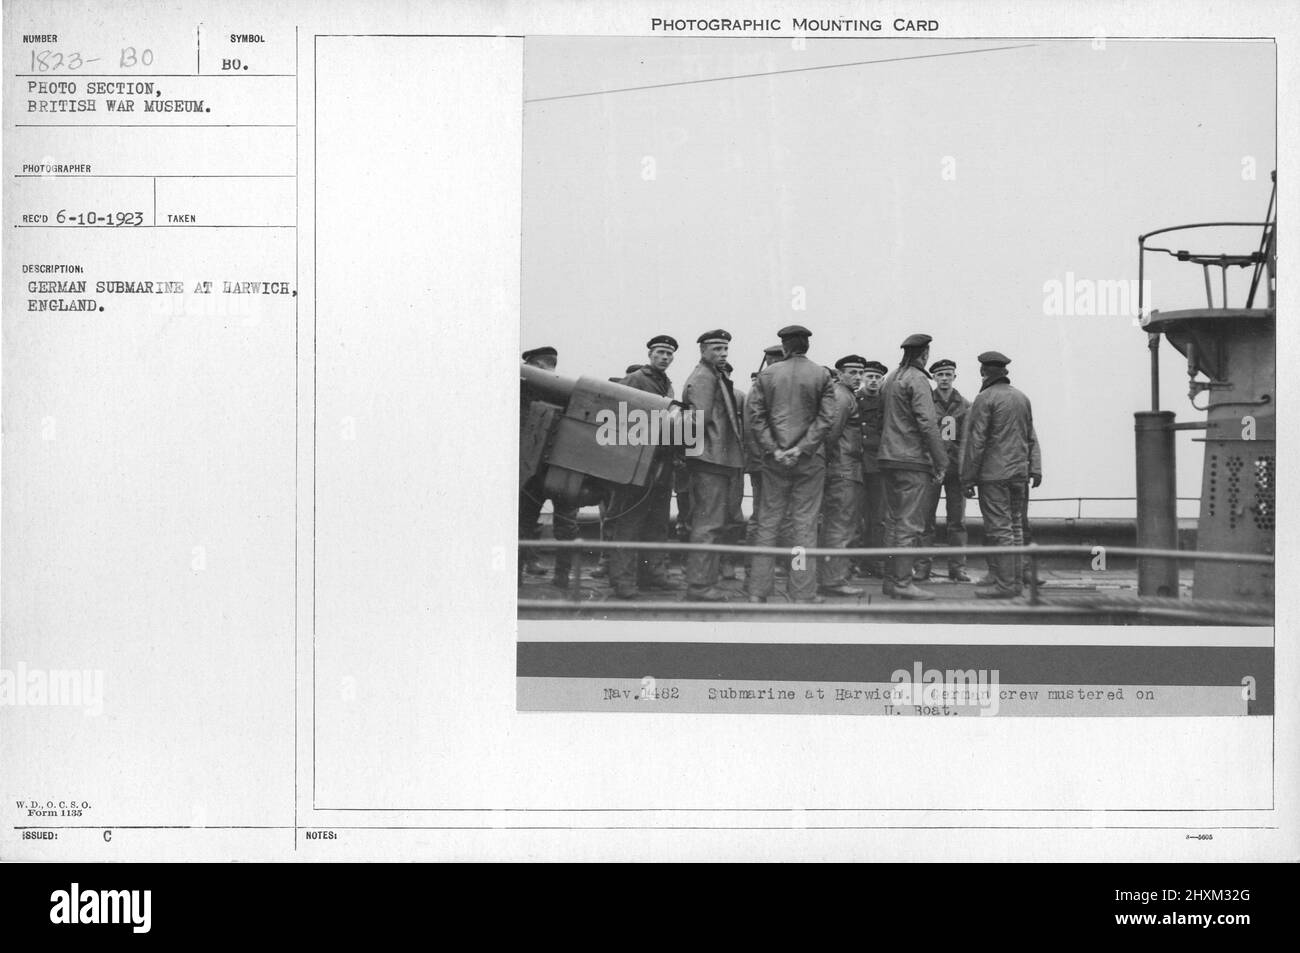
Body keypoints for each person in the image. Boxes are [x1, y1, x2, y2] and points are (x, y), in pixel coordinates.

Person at [745, 325, 838, 603]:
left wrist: (775, 450)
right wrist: (802, 448)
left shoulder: (767, 375)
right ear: (806, 346)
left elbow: (756, 418)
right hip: (810, 461)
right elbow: (826, 419)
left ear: (784, 347)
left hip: (774, 462)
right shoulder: (822, 375)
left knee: (768, 523)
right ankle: (801, 591)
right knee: (804, 526)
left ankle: (758, 591)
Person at [960, 351, 1042, 599]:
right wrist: (1034, 468)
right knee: (1016, 527)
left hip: (993, 475)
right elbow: (1030, 437)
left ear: (983, 372)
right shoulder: (1022, 397)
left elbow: (977, 442)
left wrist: (967, 477)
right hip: (1018, 474)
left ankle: (1006, 585)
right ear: (1004, 372)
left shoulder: (984, 399)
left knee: (1000, 530)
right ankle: (1014, 583)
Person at [607, 336, 681, 599]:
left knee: (656, 523)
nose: (665, 357)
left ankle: (654, 575)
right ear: (650, 354)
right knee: (630, 523)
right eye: (660, 352)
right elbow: (617, 417)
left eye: (669, 354)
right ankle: (623, 581)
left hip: (659, 466)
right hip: (637, 465)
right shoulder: (637, 380)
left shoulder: (666, 383)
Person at [877, 334, 948, 601]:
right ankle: (903, 582)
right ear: (925, 354)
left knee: (894, 523)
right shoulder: (918, 379)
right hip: (912, 461)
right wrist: (941, 461)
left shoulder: (892, 378)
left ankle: (890, 580)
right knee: (910, 524)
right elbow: (928, 424)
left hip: (888, 458)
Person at [681, 330, 745, 601]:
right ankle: (699, 586)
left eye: (726, 349)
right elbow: (696, 422)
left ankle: (703, 581)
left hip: (715, 460)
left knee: (710, 522)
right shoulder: (704, 378)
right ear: (703, 350)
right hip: (710, 461)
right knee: (708, 525)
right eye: (717, 348)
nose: (723, 354)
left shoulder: (712, 375)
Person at [518, 346, 580, 587]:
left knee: (524, 523)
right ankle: (562, 578)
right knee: (565, 525)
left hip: (534, 469)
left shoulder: (527, 394)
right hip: (561, 469)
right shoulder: (563, 391)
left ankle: (518, 577)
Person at [915, 358, 973, 582]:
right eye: (940, 375)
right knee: (925, 519)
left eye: (949, 374)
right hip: (932, 469)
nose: (945, 379)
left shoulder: (965, 405)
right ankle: (922, 566)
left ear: (955, 377)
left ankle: (957, 567)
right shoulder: (926, 401)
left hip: (956, 470)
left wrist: (965, 470)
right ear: (935, 378)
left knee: (957, 521)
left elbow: (968, 440)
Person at [818, 355, 868, 596]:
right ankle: (833, 580)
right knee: (840, 525)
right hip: (843, 471)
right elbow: (830, 435)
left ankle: (834, 576)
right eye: (852, 371)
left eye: (860, 372)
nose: (858, 376)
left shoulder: (845, 395)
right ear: (839, 373)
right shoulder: (842, 396)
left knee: (842, 524)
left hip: (846, 470)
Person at [854, 360, 889, 578]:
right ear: (864, 378)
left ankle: (875, 561)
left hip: (878, 465)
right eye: (870, 376)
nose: (874, 381)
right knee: (856, 515)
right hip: (858, 463)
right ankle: (856, 561)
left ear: (882, 380)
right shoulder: (855, 400)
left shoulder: (887, 402)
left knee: (878, 516)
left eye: (878, 377)